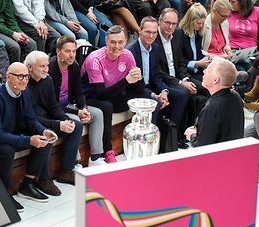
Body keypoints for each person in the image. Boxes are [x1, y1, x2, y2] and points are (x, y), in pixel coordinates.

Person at [0, 62, 60, 212]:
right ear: (8, 77)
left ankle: (27, 185)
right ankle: (2, 194)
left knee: (44, 141)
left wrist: (43, 131)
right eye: (20, 76)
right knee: (7, 150)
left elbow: (30, 120)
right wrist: (29, 140)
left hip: (6, 132)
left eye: (26, 76)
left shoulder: (24, 92)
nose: (24, 80)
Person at [81, 25, 144, 160]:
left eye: (120, 42)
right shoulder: (95, 59)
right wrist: (127, 80)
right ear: (106, 41)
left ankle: (139, 141)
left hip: (111, 94)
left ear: (125, 41)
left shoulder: (127, 55)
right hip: (88, 96)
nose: (117, 46)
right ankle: (107, 150)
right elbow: (100, 94)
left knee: (139, 98)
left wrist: (138, 77)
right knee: (106, 106)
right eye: (113, 42)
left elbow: (138, 88)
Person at [126, 16, 190, 148]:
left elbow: (156, 76)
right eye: (147, 32)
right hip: (135, 89)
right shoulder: (130, 51)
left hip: (150, 86)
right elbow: (136, 85)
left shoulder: (154, 48)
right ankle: (152, 144)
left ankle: (170, 138)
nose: (151, 35)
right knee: (154, 103)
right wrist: (155, 95)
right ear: (140, 31)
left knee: (182, 94)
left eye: (154, 32)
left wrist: (164, 91)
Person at [25, 50, 83, 185]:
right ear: (30, 68)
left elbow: (53, 106)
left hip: (46, 119)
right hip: (29, 123)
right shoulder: (24, 85)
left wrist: (64, 120)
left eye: (47, 66)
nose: (46, 69)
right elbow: (30, 117)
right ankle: (44, 178)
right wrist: (57, 125)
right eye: (42, 66)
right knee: (47, 134)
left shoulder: (47, 79)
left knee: (76, 126)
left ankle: (66, 170)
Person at [49, 36, 107, 166]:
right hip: (56, 110)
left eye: (74, 51)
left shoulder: (74, 66)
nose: (72, 55)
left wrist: (83, 108)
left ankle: (95, 158)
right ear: (58, 51)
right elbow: (52, 104)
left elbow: (78, 92)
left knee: (97, 113)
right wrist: (76, 112)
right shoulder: (50, 69)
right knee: (74, 122)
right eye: (67, 51)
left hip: (69, 104)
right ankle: (74, 163)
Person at [184, 57, 244, 147]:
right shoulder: (235, 96)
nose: (203, 72)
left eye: (207, 70)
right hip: (232, 153)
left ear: (215, 80)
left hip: (218, 158)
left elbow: (202, 146)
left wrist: (191, 135)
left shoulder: (211, 109)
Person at [228, 0, 259, 70]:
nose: (230, 5)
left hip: (251, 51)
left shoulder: (257, 11)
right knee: (241, 69)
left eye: (233, 2)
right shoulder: (228, 12)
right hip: (233, 51)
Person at [178, 3, 209, 81]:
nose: (201, 26)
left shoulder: (198, 33)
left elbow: (198, 55)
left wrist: (206, 59)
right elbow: (180, 61)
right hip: (186, 73)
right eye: (198, 23)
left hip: (198, 70)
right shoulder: (180, 35)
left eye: (203, 23)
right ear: (190, 20)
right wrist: (197, 63)